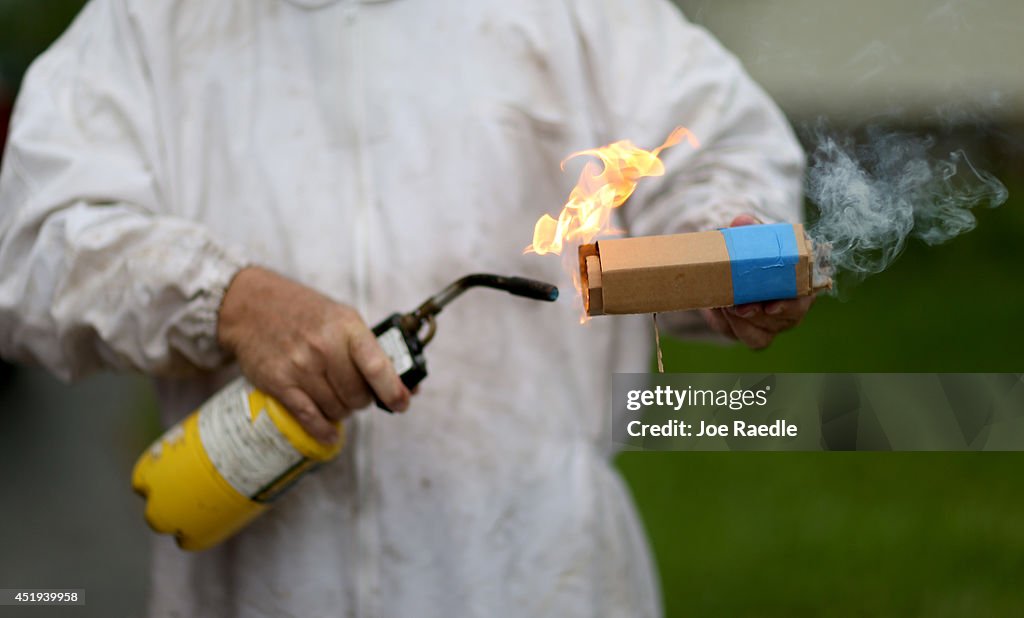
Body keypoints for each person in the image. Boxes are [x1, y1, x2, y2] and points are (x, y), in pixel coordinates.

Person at [0, 0, 811, 616]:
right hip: (264, 583)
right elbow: (34, 243)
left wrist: (729, 241)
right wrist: (227, 300)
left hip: (540, 573)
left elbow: (718, 147)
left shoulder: (578, 12)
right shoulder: (147, 26)